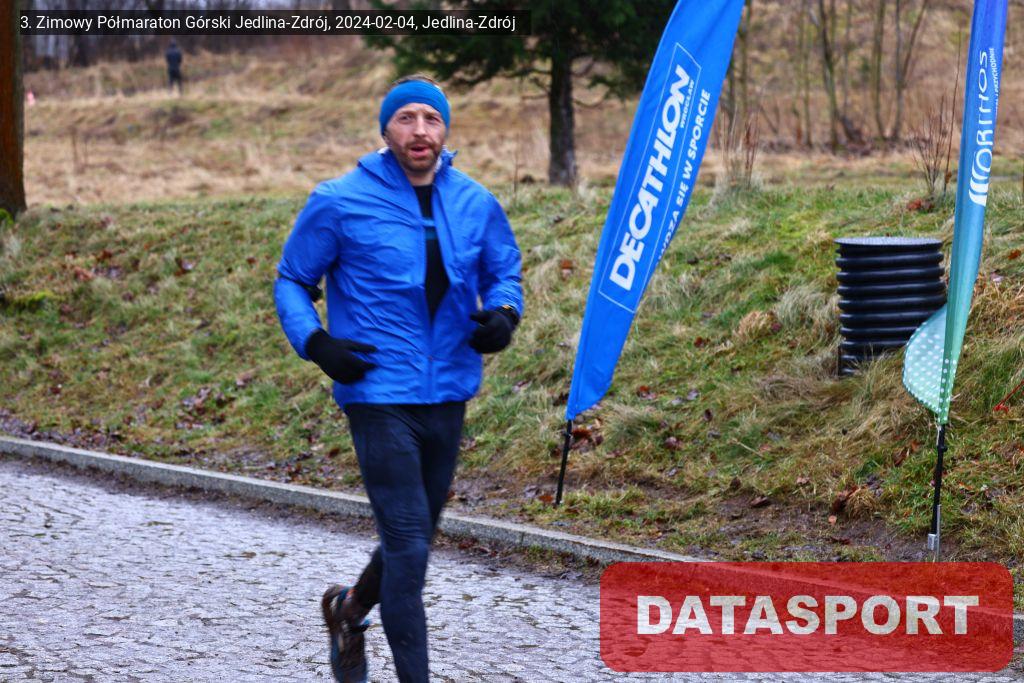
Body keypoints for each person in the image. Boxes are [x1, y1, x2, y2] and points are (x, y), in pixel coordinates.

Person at [273, 75, 523, 683]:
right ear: (385, 130)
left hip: (448, 391)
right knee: (410, 543)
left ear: (445, 129)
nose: (420, 130)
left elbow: (504, 273)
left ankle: (348, 610)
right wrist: (317, 343)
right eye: (406, 118)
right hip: (377, 390)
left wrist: (505, 315)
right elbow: (292, 280)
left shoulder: (475, 202)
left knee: (414, 538)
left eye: (431, 119)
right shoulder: (339, 200)